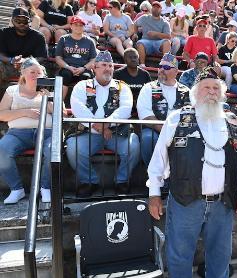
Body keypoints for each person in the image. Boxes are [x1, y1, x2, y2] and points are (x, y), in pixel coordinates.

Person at [147, 67, 237, 278]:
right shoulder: (176, 119)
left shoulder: (234, 123)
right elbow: (159, 158)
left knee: (220, 253)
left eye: (216, 88)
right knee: (180, 253)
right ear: (196, 92)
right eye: (206, 87)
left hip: (223, 203)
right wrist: (154, 193)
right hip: (185, 201)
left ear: (223, 93)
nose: (212, 92)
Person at [65, 51, 140, 197]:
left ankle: (122, 181)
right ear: (94, 67)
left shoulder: (122, 87)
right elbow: (78, 107)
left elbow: (125, 108)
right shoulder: (82, 85)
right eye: (104, 65)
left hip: (116, 132)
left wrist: (107, 125)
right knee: (73, 148)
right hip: (87, 133)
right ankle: (89, 181)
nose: (108, 68)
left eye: (110, 65)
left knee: (134, 145)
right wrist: (97, 126)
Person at [0, 58, 52, 204]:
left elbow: (61, 114)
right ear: (23, 73)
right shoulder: (12, 90)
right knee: (2, 149)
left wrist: (48, 99)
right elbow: (1, 114)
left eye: (39, 72)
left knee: (53, 150)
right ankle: (17, 189)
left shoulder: (50, 90)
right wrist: (26, 112)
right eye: (32, 72)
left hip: (46, 132)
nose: (36, 75)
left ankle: (45, 187)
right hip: (18, 133)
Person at [138, 53, 190, 166]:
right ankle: (152, 170)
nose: (161, 69)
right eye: (160, 66)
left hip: (179, 130)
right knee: (147, 139)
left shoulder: (186, 91)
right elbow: (145, 114)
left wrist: (175, 132)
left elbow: (190, 114)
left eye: (166, 67)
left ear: (176, 72)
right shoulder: (148, 88)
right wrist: (165, 130)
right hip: (154, 130)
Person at [0, 8, 47, 90]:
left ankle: (38, 99)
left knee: (41, 70)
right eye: (18, 21)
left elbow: (42, 57)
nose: (21, 23)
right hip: (8, 64)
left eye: (24, 21)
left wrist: (25, 62)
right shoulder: (3, 33)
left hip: (30, 66)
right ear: (12, 21)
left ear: (29, 21)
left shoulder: (38, 36)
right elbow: (1, 54)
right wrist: (12, 60)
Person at [55, 15, 96, 97]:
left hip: (84, 69)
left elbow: (93, 60)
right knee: (65, 76)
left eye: (81, 25)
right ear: (71, 26)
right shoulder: (63, 39)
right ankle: (59, 104)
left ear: (84, 27)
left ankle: (88, 105)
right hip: (67, 68)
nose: (78, 27)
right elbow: (58, 58)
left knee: (87, 78)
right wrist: (68, 67)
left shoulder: (90, 41)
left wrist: (83, 68)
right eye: (76, 25)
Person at [134, 1, 172, 67]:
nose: (156, 8)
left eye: (158, 7)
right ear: (151, 8)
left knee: (167, 42)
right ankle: (142, 65)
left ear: (161, 9)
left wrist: (156, 34)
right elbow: (135, 24)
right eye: (154, 7)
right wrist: (135, 33)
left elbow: (168, 36)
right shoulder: (144, 18)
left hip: (159, 42)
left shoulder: (165, 22)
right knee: (140, 43)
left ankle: (166, 65)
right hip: (146, 41)